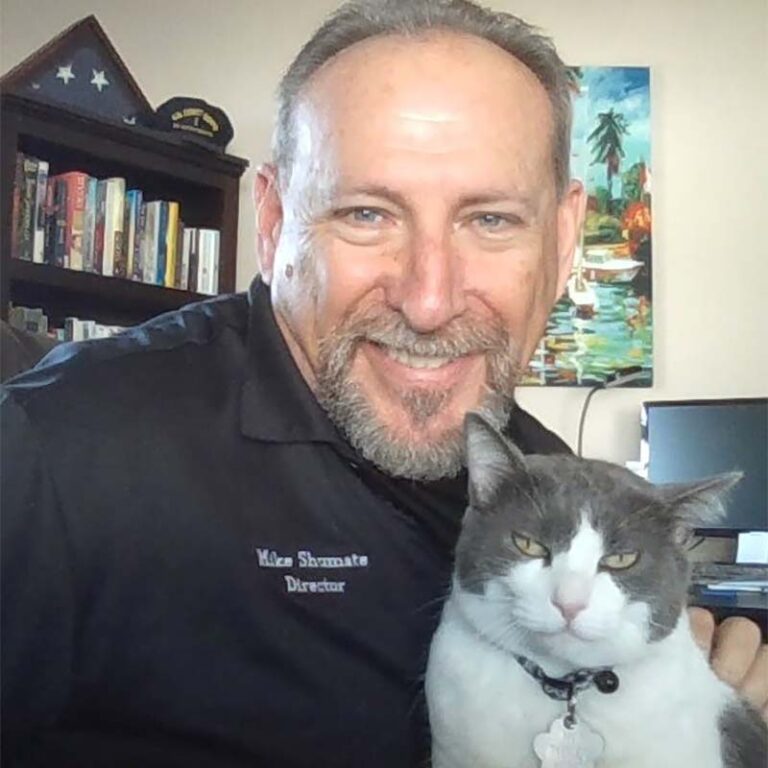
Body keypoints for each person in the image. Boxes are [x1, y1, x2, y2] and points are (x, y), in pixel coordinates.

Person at [2, 1, 765, 766]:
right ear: (272, 222)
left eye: (491, 220)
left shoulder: (543, 467)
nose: (428, 300)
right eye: (367, 214)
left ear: (563, 239)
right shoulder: (58, 453)